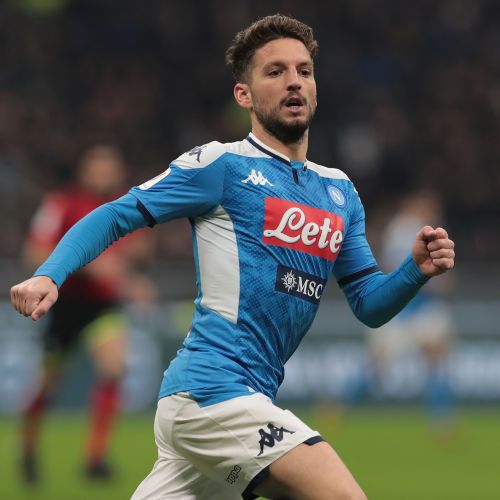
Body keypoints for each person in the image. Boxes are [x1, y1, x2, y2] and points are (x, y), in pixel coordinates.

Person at [11, 14, 455, 500]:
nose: (293, 81)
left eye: (304, 71)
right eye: (275, 71)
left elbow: (369, 303)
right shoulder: (221, 165)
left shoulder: (340, 192)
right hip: (214, 392)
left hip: (232, 402)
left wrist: (414, 271)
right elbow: (117, 215)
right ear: (244, 94)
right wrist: (50, 274)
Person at [18, 145, 154, 483]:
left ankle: (95, 458)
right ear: (84, 169)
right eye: (98, 167)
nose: (104, 174)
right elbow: (34, 251)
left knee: (114, 368)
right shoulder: (62, 203)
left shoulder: (126, 207)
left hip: (102, 307)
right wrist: (87, 266)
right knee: (48, 385)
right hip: (64, 305)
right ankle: (29, 449)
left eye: (110, 167)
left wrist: (134, 275)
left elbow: (133, 256)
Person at [344, 190, 456, 433]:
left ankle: (441, 419)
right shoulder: (403, 230)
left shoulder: (423, 230)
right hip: (402, 310)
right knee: (376, 365)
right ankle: (342, 405)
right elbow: (398, 269)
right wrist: (432, 280)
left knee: (437, 359)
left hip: (423, 308)